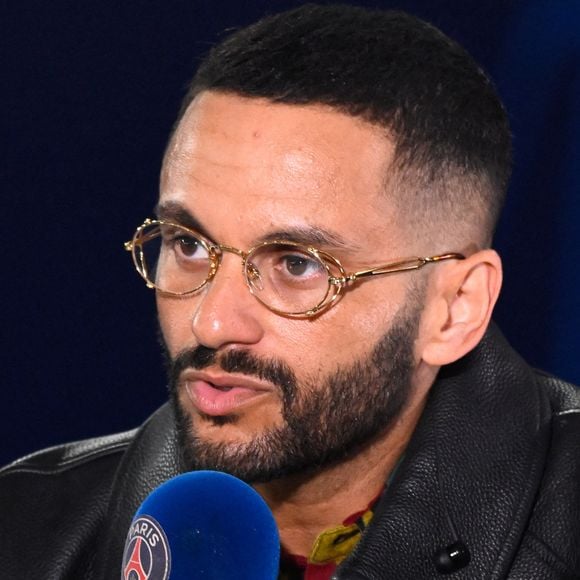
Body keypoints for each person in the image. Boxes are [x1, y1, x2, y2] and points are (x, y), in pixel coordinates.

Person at [1, 4, 579, 579]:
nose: (212, 323)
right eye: (188, 245)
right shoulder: (24, 532)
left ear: (455, 309)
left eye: (298, 264)